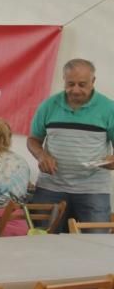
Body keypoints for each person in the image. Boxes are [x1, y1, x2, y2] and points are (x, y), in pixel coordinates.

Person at [27, 58, 114, 229]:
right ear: (63, 80)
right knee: (41, 242)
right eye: (70, 84)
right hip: (50, 187)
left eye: (82, 84)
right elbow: (33, 140)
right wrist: (41, 155)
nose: (75, 90)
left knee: (96, 241)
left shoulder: (109, 108)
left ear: (93, 81)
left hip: (93, 189)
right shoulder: (48, 106)